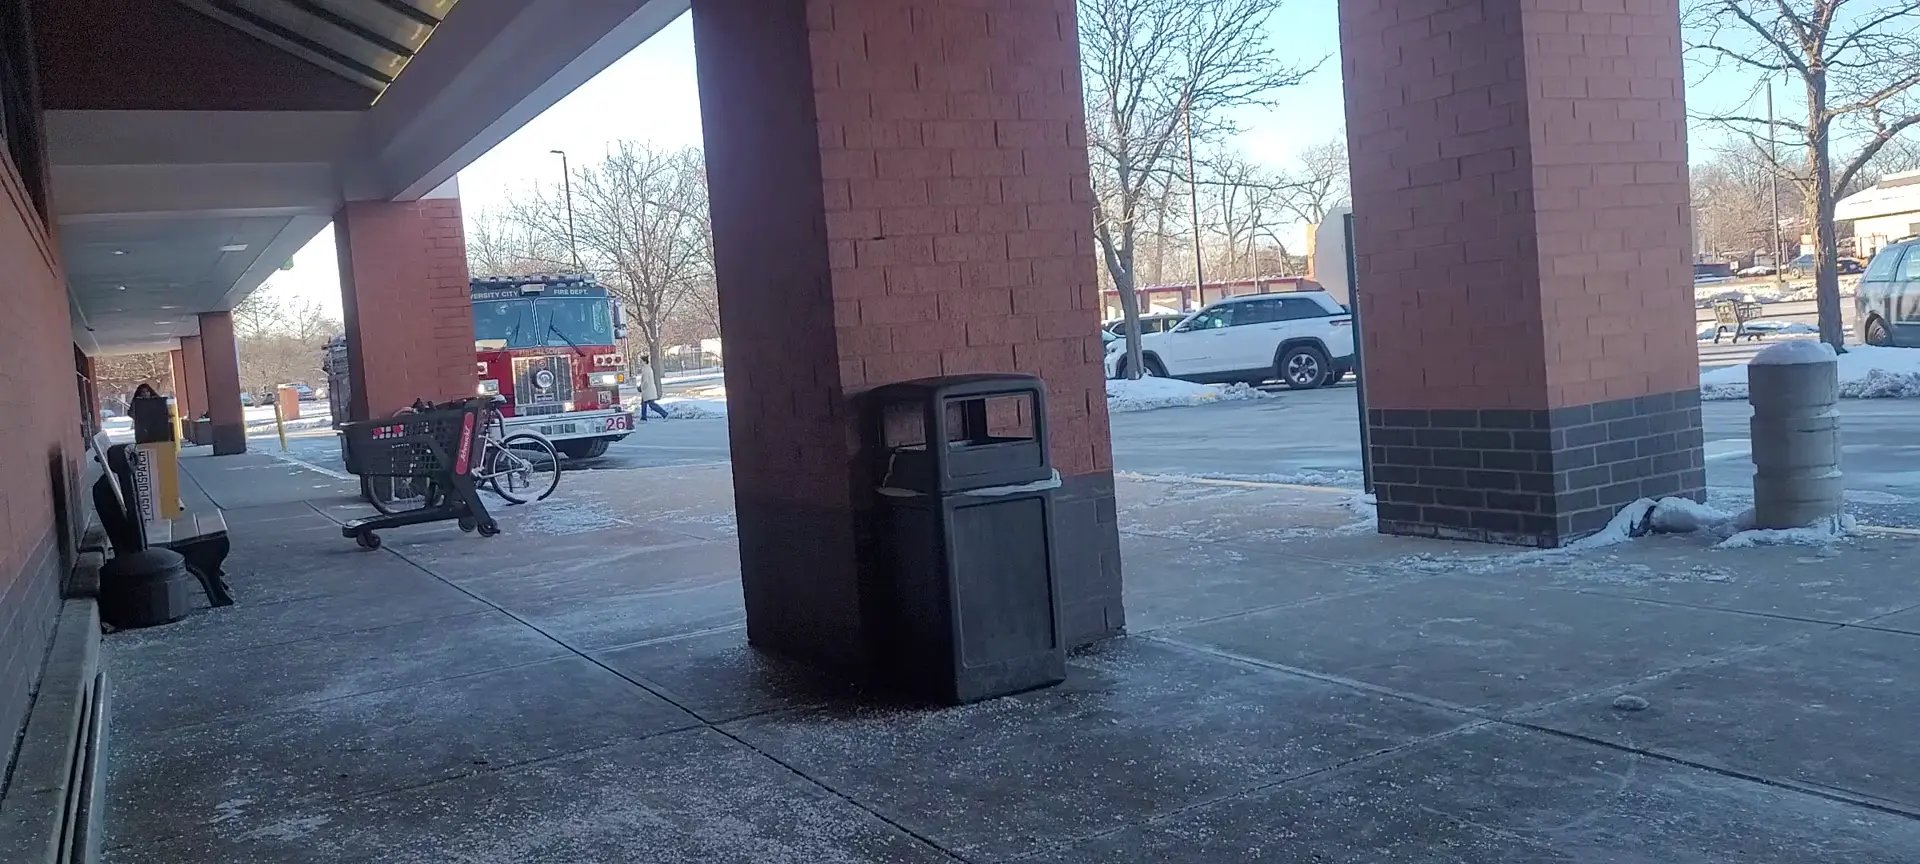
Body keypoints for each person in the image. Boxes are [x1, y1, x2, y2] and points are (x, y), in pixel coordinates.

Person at [637, 355, 669, 421]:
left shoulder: (645, 369)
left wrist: (641, 388)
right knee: (644, 403)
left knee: (651, 405)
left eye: (641, 361)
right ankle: (643, 417)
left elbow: (645, 381)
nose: (640, 363)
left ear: (644, 361)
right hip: (649, 390)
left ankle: (664, 414)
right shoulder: (648, 368)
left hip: (647, 390)